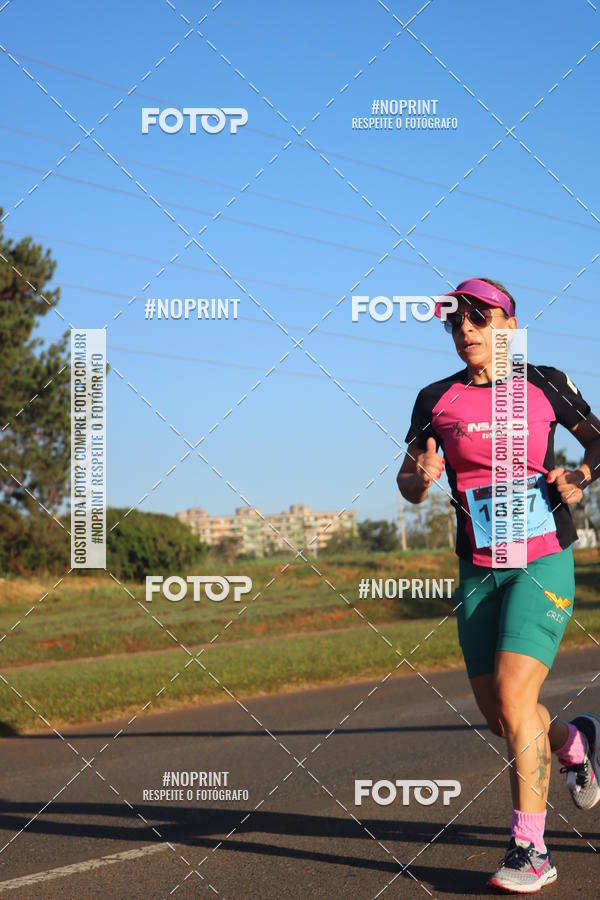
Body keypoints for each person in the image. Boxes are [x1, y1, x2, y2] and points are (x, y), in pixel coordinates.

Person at [397, 277, 600, 894]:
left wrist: (582, 476)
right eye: (456, 323)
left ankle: (530, 848)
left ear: (508, 326)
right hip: (478, 568)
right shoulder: (435, 399)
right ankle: (576, 743)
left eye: (479, 321)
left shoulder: (543, 382)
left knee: (516, 700)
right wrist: (419, 472)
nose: (466, 332)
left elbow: (599, 439)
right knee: (500, 716)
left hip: (542, 559)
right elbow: (407, 485)